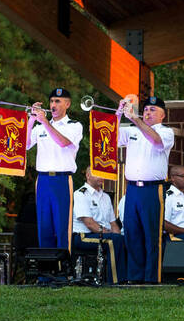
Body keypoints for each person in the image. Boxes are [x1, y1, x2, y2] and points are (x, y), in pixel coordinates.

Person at [119, 95, 175, 283]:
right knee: (132, 232)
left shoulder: (166, 132)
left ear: (163, 115)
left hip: (152, 190)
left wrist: (135, 119)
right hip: (133, 189)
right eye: (145, 110)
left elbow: (157, 142)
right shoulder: (132, 131)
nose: (147, 113)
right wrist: (119, 113)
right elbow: (111, 137)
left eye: (153, 110)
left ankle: (152, 278)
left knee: (152, 234)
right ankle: (135, 277)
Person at [29, 87, 80, 251]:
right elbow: (24, 145)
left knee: (62, 226)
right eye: (51, 101)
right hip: (43, 180)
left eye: (57, 101)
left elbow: (63, 142)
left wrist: (44, 122)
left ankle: (63, 272)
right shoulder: (40, 127)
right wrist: (31, 120)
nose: (53, 105)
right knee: (44, 227)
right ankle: (46, 272)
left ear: (67, 104)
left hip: (62, 180)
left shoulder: (74, 125)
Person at [72, 168, 126, 284]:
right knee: (113, 241)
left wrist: (118, 235)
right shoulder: (80, 194)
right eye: (96, 173)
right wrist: (111, 235)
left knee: (122, 239)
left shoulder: (106, 197)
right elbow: (90, 224)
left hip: (101, 234)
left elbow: (113, 223)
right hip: (83, 235)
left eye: (102, 173)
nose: (101, 176)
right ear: (87, 175)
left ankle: (128, 278)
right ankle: (116, 281)